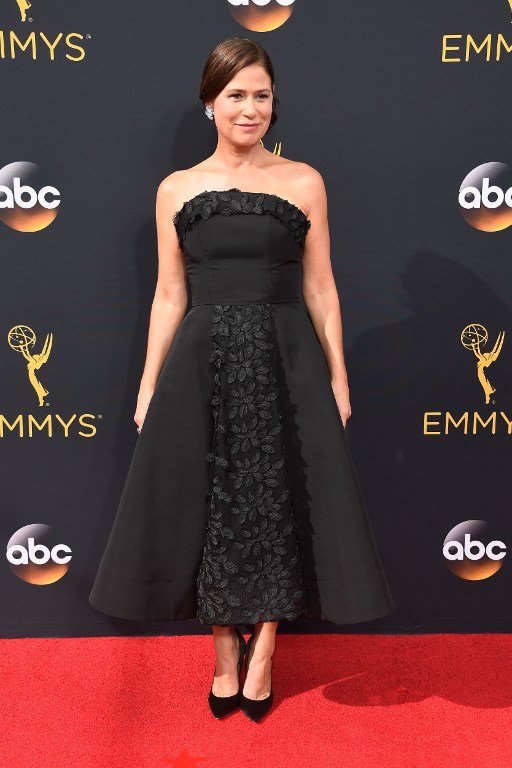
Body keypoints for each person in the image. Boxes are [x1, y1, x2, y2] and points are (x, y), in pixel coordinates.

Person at [89, 36, 395, 722]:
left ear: (273, 102)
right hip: (203, 361)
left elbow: (321, 289)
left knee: (280, 497)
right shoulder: (178, 188)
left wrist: (338, 377)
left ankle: (265, 652)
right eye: (235, 95)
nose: (249, 108)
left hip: (287, 359)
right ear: (209, 104)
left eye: (261, 95)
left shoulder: (304, 182)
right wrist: (147, 385)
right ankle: (224, 647)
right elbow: (170, 295)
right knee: (210, 501)